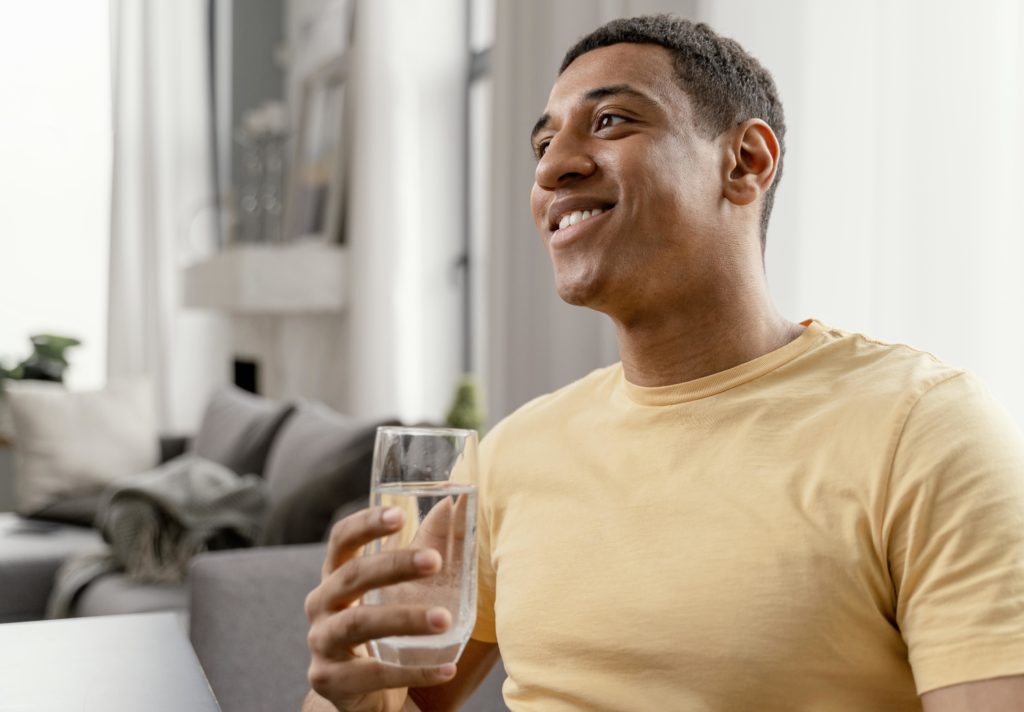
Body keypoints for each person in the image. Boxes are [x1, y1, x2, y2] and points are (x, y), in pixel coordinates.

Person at [301, 15, 1024, 711]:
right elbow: (399, 702)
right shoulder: (513, 454)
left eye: (611, 121)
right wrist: (355, 699)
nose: (553, 167)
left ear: (746, 162)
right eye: (542, 144)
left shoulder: (924, 429)